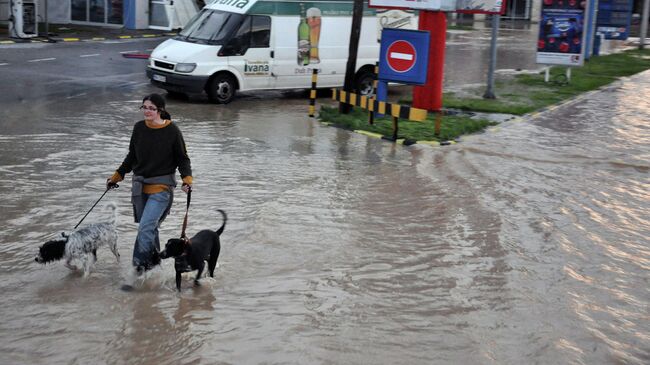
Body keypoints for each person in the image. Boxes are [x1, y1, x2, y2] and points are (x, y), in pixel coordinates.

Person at [107, 93, 192, 275]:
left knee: (145, 227)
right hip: (140, 187)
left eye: (151, 108)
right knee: (150, 228)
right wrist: (117, 176)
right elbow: (132, 156)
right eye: (144, 107)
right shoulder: (139, 128)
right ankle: (155, 267)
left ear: (160, 110)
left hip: (162, 188)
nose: (147, 111)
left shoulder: (172, 131)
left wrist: (187, 179)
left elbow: (182, 159)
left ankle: (139, 269)